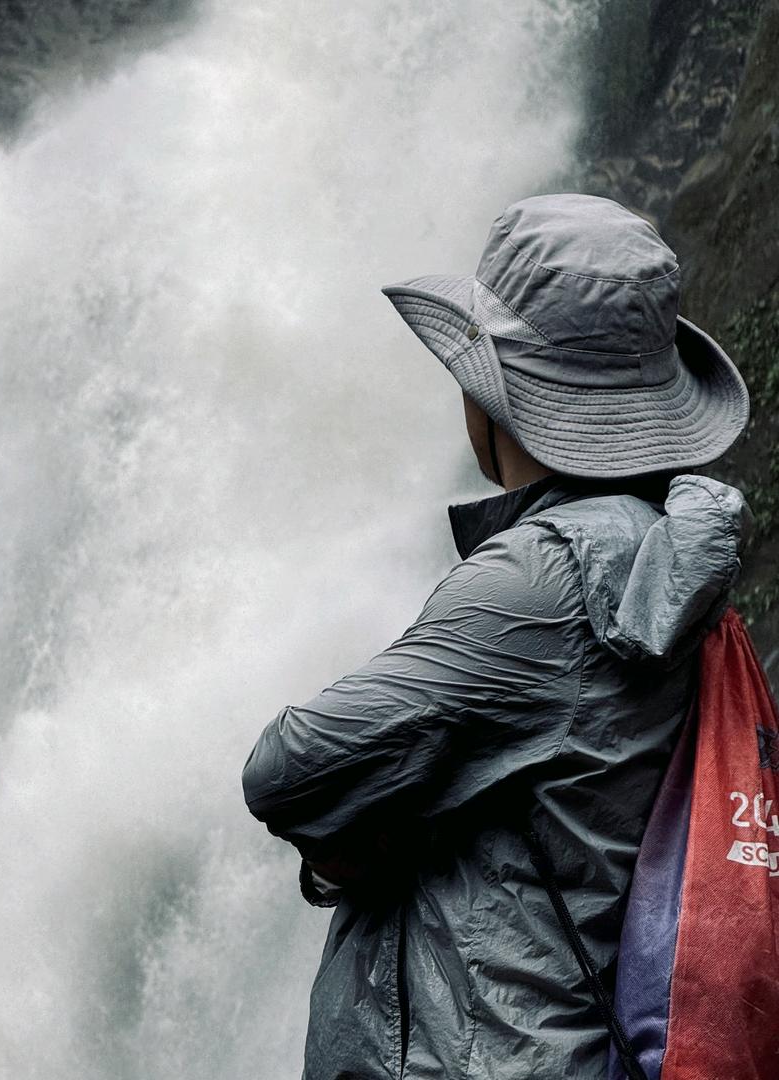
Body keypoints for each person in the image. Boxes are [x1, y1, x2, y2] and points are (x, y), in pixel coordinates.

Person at [241, 193, 752, 1080]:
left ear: (490, 395)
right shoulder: (662, 553)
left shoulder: (538, 580)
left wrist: (377, 831)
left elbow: (288, 768)